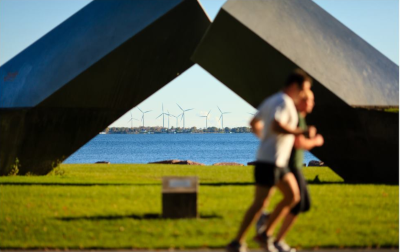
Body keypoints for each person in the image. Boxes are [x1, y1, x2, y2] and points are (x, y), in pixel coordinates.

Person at [226, 70, 312, 252]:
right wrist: (300, 132)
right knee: (260, 204)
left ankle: (264, 235)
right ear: (295, 87)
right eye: (304, 90)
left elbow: (254, 122)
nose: (305, 94)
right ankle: (237, 242)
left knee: (293, 197)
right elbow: (276, 124)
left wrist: (264, 138)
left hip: (277, 162)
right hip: (269, 163)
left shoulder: (272, 99)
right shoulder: (284, 102)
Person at [255, 90, 324, 252]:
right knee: (298, 202)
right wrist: (315, 141)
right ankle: (271, 234)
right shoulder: (296, 118)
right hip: (290, 166)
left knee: (299, 203)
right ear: (301, 101)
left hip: (293, 165)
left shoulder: (297, 117)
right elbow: (298, 143)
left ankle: (272, 233)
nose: (312, 103)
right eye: (309, 100)